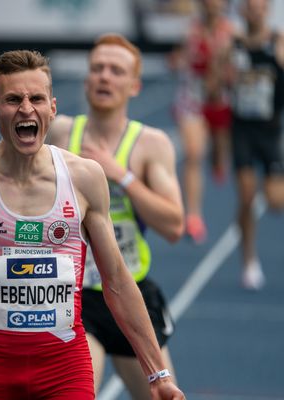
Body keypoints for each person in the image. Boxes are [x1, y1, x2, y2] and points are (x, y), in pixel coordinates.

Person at [0, 49, 186, 400]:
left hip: (65, 367)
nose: (26, 109)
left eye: (36, 98)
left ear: (53, 108)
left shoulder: (84, 177)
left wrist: (158, 372)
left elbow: (118, 282)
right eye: (13, 99)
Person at [48, 34, 185, 399]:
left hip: (129, 293)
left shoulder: (150, 144)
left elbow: (174, 225)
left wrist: (119, 174)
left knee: (161, 394)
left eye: (116, 70)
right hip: (74, 296)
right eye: (97, 69)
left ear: (134, 85)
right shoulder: (61, 133)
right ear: (87, 79)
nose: (105, 77)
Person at [230, 0, 284, 290]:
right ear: (242, 11)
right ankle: (249, 259)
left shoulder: (278, 42)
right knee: (247, 196)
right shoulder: (233, 45)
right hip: (242, 131)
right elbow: (215, 88)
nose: (255, 11)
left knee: (276, 202)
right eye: (250, 6)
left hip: (271, 130)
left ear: (267, 11)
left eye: (260, 6)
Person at [171, 0, 235, 244]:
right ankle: (193, 216)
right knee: (194, 153)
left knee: (218, 158)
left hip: (220, 101)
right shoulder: (190, 31)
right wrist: (180, 60)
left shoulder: (230, 33)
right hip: (192, 101)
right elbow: (178, 59)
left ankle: (218, 159)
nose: (212, 5)